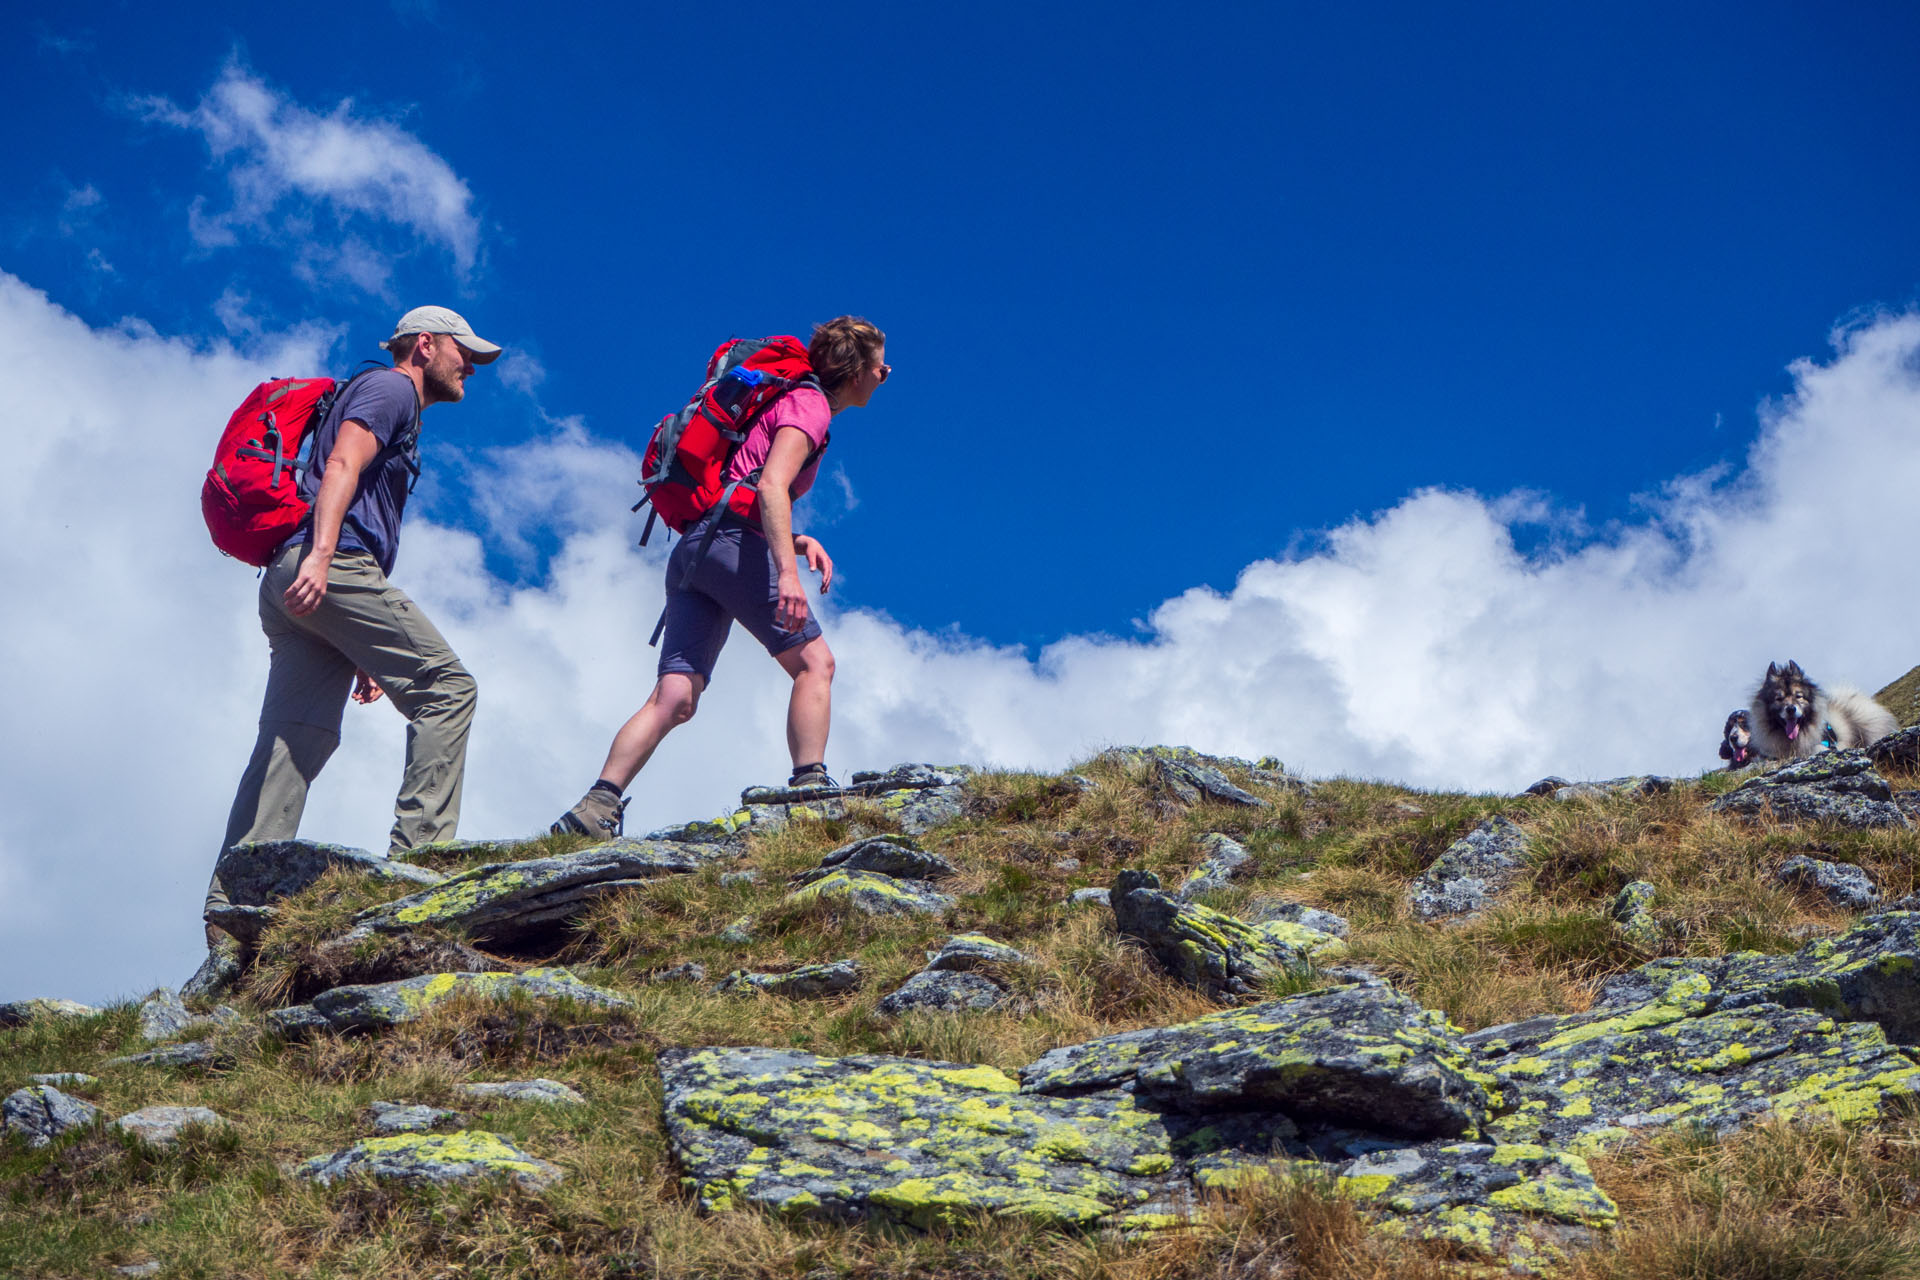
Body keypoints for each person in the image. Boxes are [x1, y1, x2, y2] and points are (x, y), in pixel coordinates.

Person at [206, 306, 501, 929]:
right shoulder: (391, 388)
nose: (469, 365)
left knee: (295, 739)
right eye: (462, 351)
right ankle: (419, 866)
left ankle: (235, 910)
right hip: (326, 565)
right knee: (448, 690)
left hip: (298, 578)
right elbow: (341, 464)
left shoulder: (386, 397)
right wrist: (321, 557)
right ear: (425, 344)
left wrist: (358, 639)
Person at [552, 316, 888, 840]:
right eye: (881, 367)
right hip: (731, 543)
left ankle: (595, 808)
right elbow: (773, 487)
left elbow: (743, 483)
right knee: (816, 664)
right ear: (857, 370)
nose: (885, 374)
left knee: (675, 696)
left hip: (696, 548)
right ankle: (809, 791)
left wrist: (797, 542)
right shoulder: (811, 405)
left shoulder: (782, 399)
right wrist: (787, 575)